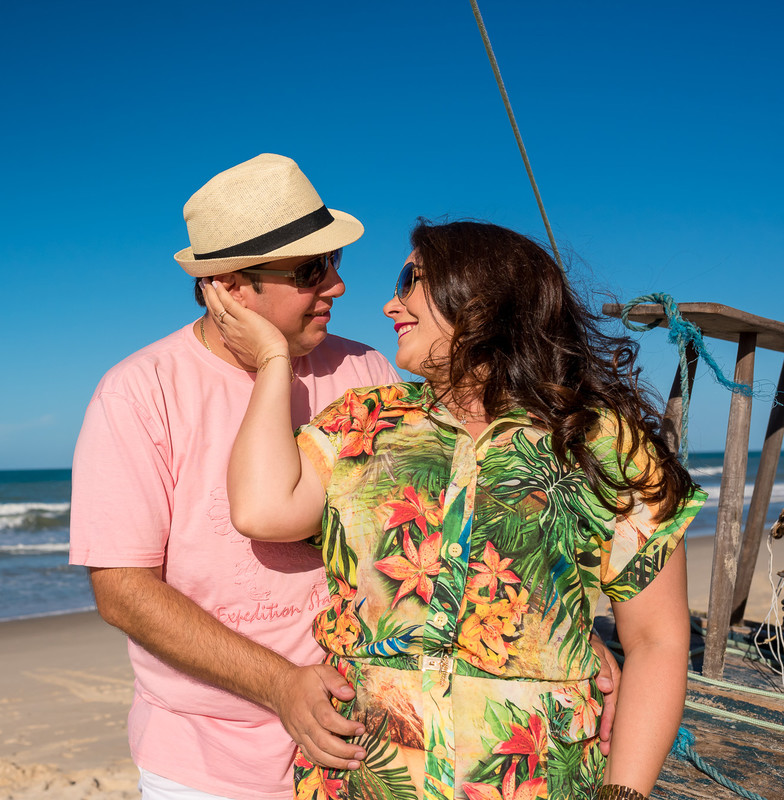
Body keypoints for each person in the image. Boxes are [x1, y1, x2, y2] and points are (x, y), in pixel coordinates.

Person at [70, 157, 619, 800]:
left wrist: (558, 632)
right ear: (230, 286)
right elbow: (124, 591)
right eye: (310, 271)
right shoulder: (140, 393)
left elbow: (456, 524)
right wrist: (279, 684)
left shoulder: (367, 372)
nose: (337, 285)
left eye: (333, 261)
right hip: (208, 763)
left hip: (370, 755)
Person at [211, 219, 703, 800]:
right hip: (365, 779)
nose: (390, 304)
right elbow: (261, 509)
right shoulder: (365, 420)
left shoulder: (600, 441)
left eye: (409, 281)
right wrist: (273, 358)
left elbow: (656, 641)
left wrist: (625, 793)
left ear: (480, 297)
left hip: (537, 782)